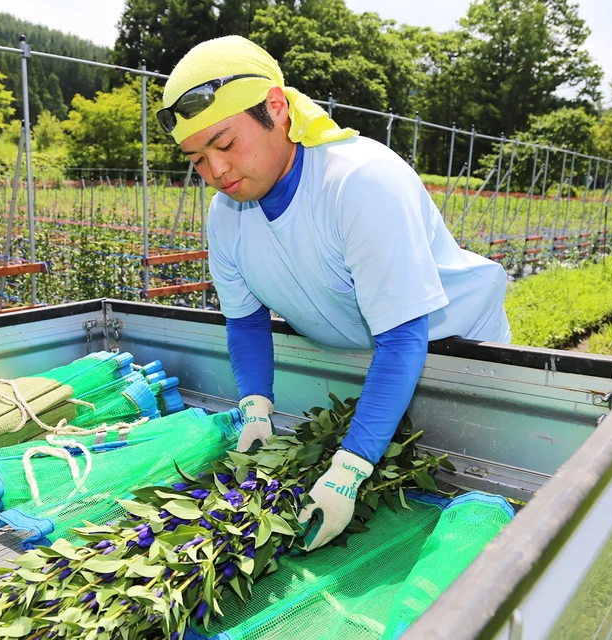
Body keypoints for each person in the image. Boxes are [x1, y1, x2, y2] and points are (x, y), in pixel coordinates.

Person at [157, 36, 510, 552]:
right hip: (368, 357)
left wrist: (348, 468)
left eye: (226, 145)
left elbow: (403, 336)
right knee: (400, 511)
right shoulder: (226, 216)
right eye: (196, 159)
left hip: (454, 349)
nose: (216, 172)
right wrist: (256, 408)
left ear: (276, 109)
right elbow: (246, 320)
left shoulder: (359, 183)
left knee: (471, 508)